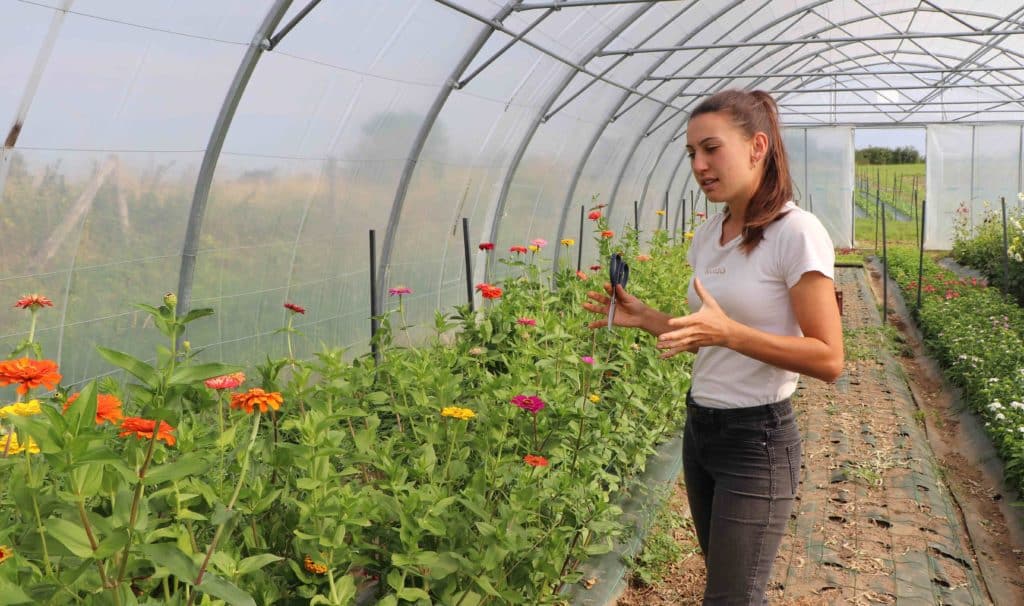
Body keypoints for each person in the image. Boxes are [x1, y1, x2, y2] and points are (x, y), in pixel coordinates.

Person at [583, 89, 843, 605]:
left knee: (730, 598)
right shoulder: (709, 235)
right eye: (691, 155)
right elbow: (711, 333)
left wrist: (728, 333)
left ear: (757, 146)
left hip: (758, 440)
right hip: (701, 431)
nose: (699, 166)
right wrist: (648, 319)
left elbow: (829, 358)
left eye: (711, 149)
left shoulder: (797, 233)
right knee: (733, 589)